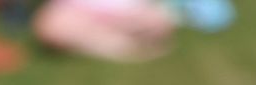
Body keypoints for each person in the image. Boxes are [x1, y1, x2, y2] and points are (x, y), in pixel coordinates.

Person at [30, 0, 175, 63]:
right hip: (77, 11)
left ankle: (112, 42)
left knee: (158, 22)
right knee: (49, 30)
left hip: (127, 12)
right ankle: (118, 44)